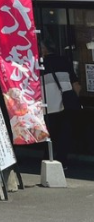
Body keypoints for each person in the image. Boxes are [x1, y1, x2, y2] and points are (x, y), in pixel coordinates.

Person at [41, 40, 81, 169]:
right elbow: (76, 85)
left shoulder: (40, 65)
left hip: (48, 105)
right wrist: (75, 99)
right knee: (65, 133)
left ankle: (48, 160)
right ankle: (62, 161)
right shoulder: (65, 61)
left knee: (49, 134)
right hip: (66, 104)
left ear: (44, 49)